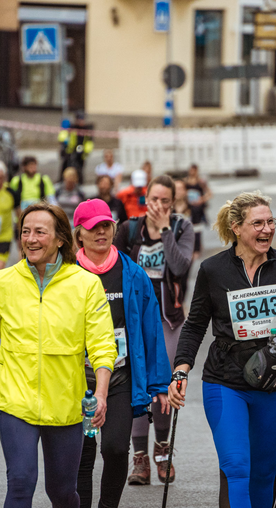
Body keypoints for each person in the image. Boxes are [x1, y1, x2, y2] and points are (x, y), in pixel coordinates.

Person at [0, 202, 117, 508]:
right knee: (20, 481)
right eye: (25, 232)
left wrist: (101, 394)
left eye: (40, 232)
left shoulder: (86, 285)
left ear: (60, 239)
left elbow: (103, 346)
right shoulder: (2, 282)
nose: (30, 239)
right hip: (16, 402)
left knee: (61, 492)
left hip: (66, 406)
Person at [168, 191, 276, 508]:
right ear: (236, 227)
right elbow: (195, 325)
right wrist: (181, 369)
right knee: (236, 466)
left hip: (273, 384)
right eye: (258, 223)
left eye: (270, 222)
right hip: (225, 382)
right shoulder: (213, 270)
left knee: (263, 472)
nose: (267, 229)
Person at [72, 199, 171, 508]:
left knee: (115, 448)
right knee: (82, 454)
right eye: (93, 228)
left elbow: (151, 329)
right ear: (79, 234)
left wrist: (159, 384)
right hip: (77, 381)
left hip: (120, 378)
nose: (101, 232)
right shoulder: (67, 274)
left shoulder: (133, 274)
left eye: (106, 225)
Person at [114, 175, 194, 486]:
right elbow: (114, 267)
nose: (159, 205)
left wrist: (164, 231)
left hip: (168, 319)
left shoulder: (181, 228)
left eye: (165, 201)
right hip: (133, 319)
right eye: (154, 199)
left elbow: (180, 266)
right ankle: (140, 458)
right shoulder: (129, 229)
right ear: (145, 199)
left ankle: (162, 451)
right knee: (135, 381)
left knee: (163, 383)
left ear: (173, 202)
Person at [185, 163, 212, 259]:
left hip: (198, 208)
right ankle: (193, 246)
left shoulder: (200, 181)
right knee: (188, 227)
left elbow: (209, 193)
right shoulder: (186, 181)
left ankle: (197, 248)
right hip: (188, 208)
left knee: (197, 227)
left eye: (194, 170)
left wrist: (202, 200)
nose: (192, 172)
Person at [59, 112, 93, 183]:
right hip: (70, 151)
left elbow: (89, 142)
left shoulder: (86, 130)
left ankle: (80, 183)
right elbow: (63, 136)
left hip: (81, 153)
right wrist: (64, 146)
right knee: (66, 167)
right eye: (79, 119)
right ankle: (62, 181)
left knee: (79, 169)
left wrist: (86, 151)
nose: (81, 121)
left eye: (82, 119)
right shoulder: (72, 127)